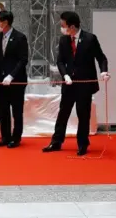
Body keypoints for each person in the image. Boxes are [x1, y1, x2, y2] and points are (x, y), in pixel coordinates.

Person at [43, 11, 109, 156]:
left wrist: (104, 71)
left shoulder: (90, 39)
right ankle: (56, 142)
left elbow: (101, 58)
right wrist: (65, 74)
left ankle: (82, 144)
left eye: (63, 25)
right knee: (63, 113)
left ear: (72, 26)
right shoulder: (64, 40)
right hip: (68, 83)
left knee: (83, 114)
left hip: (84, 84)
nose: (61, 28)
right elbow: (60, 61)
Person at [0, 11, 28, 149]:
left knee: (17, 111)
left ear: (5, 22)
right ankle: (5, 137)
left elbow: (23, 60)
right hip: (1, 81)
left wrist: (11, 75)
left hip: (16, 81)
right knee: (3, 110)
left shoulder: (20, 37)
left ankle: (16, 138)